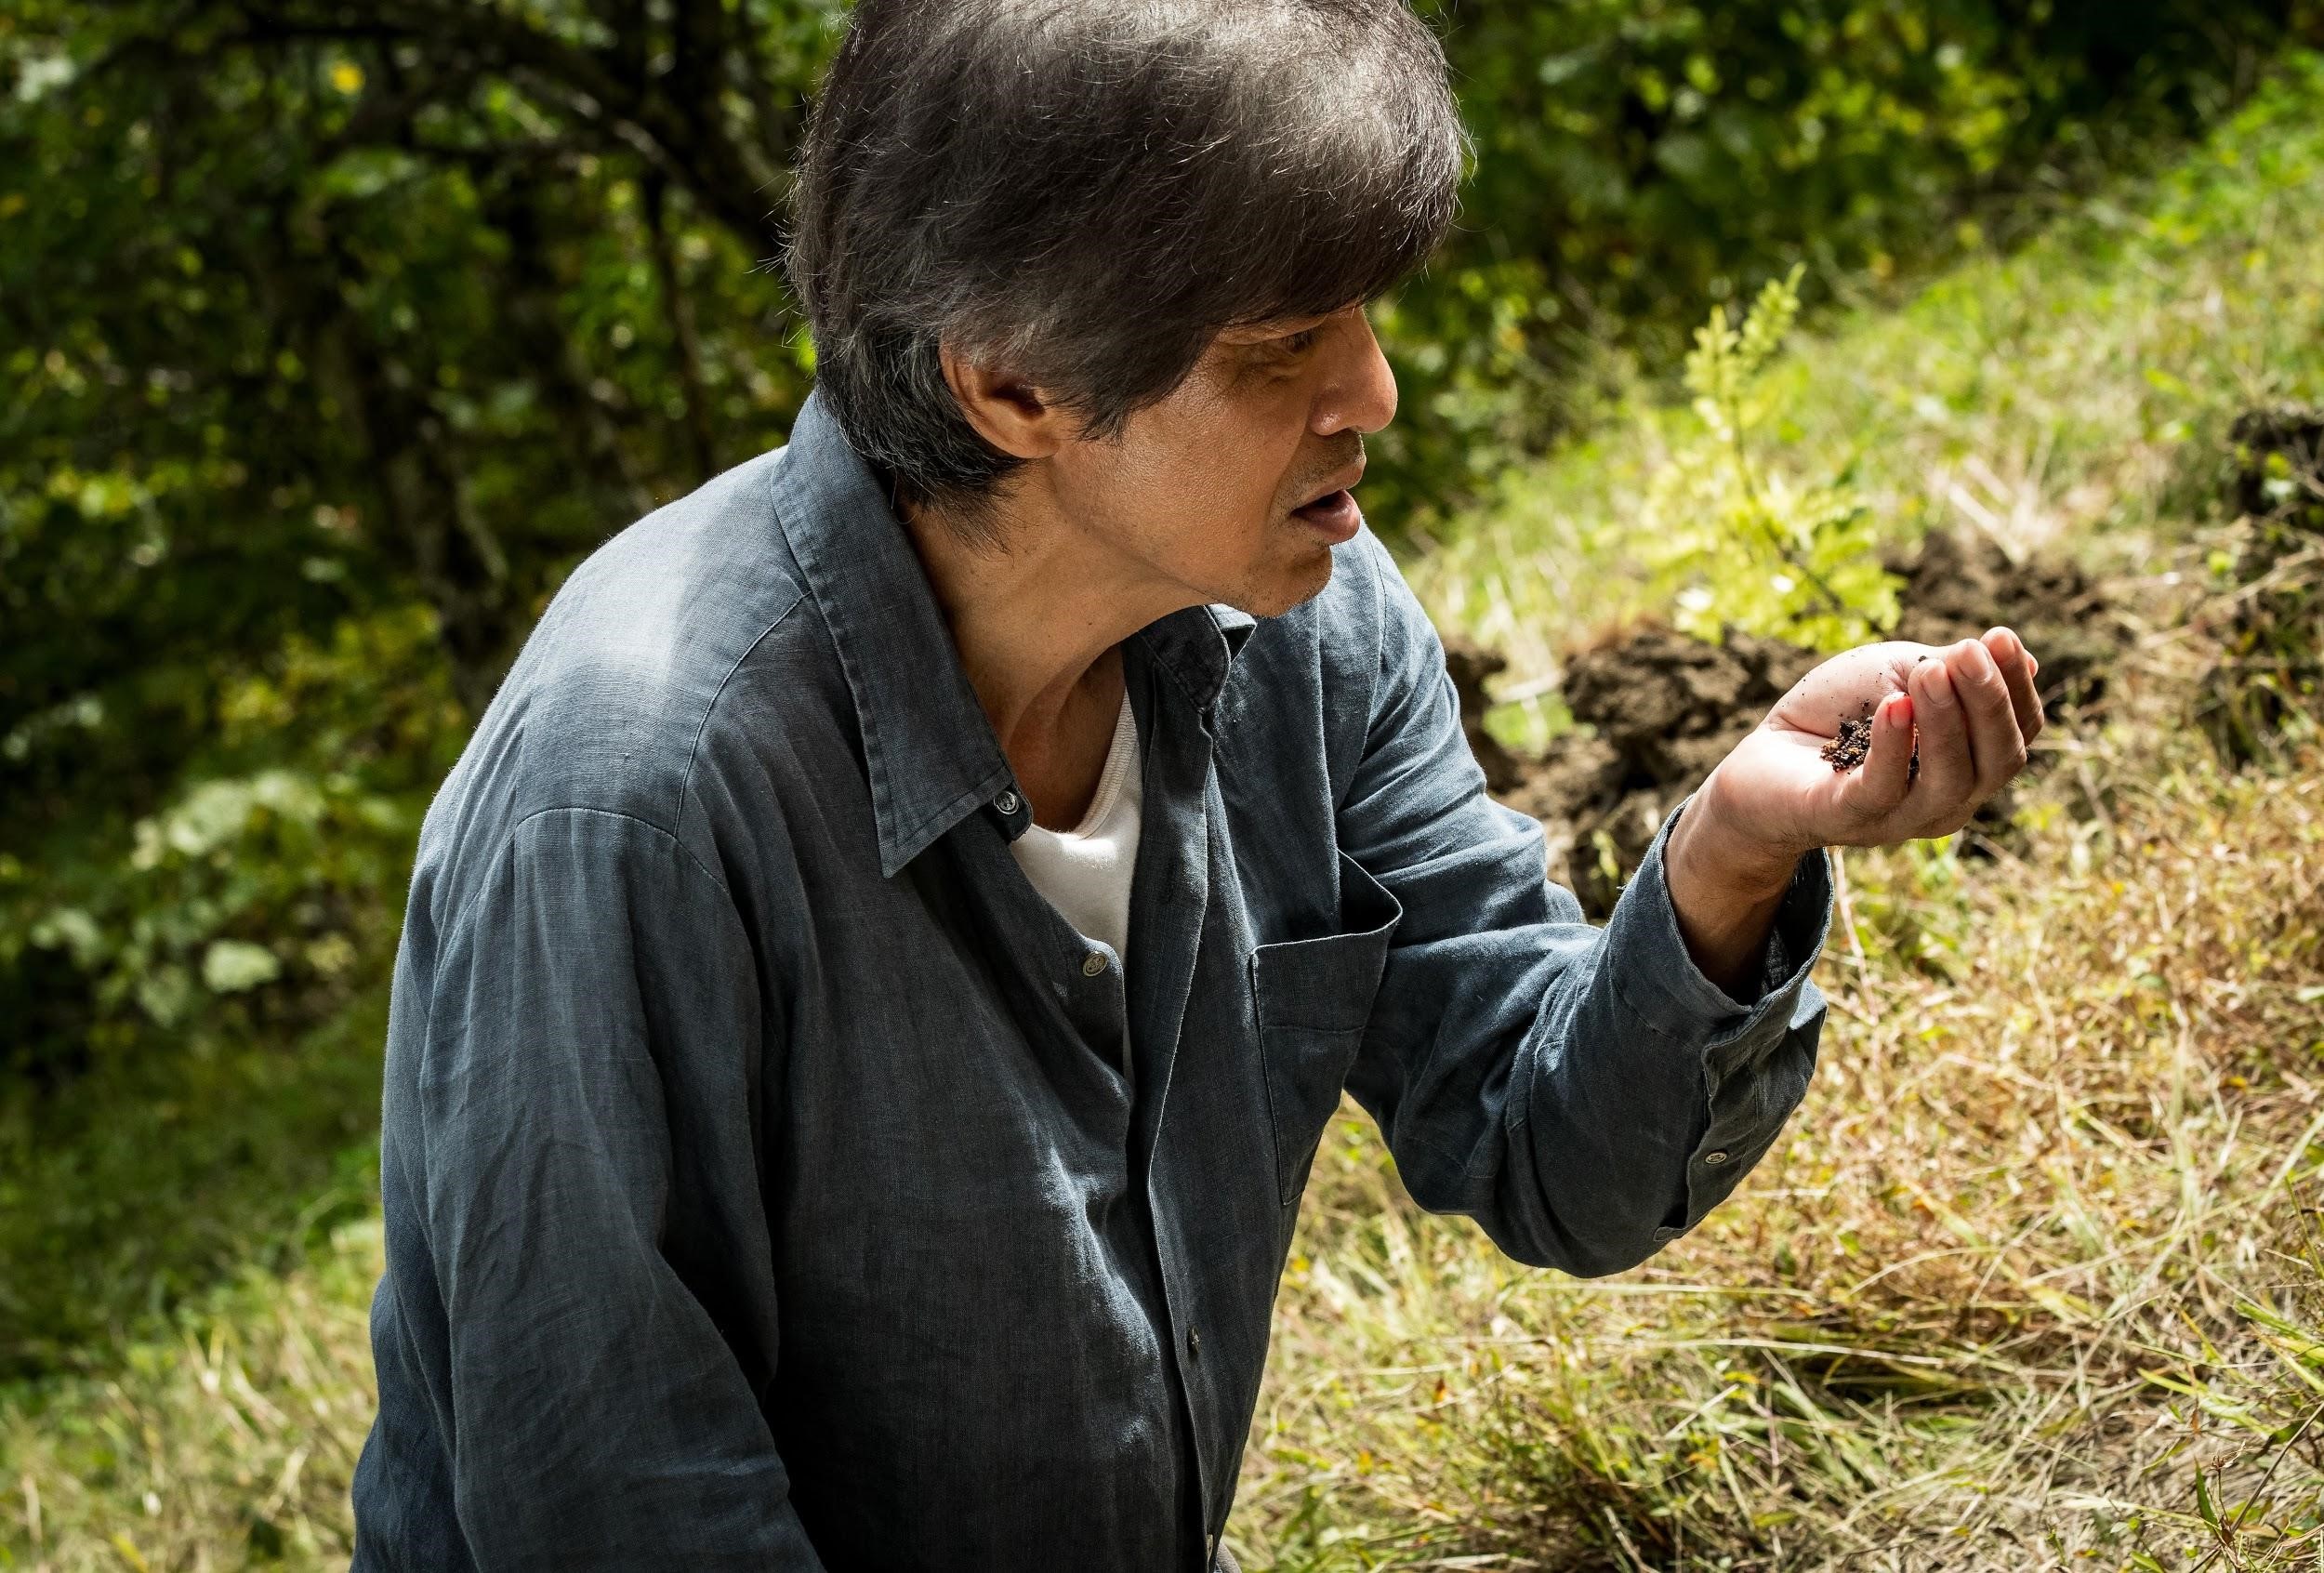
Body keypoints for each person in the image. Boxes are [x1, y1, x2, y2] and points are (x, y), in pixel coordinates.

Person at [348, 1, 2044, 1568]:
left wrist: (1729, 864)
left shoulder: (1296, 621)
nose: (1372, 392)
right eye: (1281, 345)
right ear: (1010, 383)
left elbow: (1549, 1151)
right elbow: (624, 1505)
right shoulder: (634, 794)